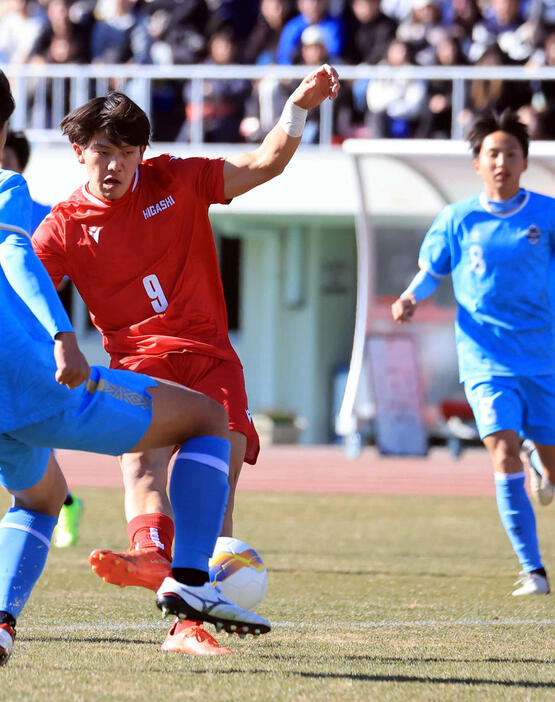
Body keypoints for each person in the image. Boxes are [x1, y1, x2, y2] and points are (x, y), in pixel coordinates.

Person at [0, 62, 271, 667]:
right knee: (205, 419)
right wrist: (63, 332)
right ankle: (190, 577)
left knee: (40, 499)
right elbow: (16, 253)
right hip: (32, 382)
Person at [32, 66, 339, 654]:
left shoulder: (177, 179)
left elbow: (264, 164)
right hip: (139, 364)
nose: (116, 165)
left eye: (127, 152)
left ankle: (187, 621)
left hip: (211, 361)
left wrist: (297, 107)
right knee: (142, 465)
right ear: (79, 153)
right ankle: (152, 556)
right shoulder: (63, 227)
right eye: (102, 152)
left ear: (143, 153)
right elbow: (25, 292)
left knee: (214, 491)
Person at [391, 109, 555, 597]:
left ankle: (539, 456)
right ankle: (534, 571)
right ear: (478, 163)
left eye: (511, 153)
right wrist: (408, 297)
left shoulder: (550, 214)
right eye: (493, 153)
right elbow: (432, 272)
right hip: (485, 359)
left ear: (524, 161)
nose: (502, 161)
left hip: (544, 359)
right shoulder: (458, 218)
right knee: (501, 450)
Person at [0, 130, 85, 549]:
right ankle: (58, 500)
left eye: (6, 161)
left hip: (36, 341)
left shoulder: (43, 216)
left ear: (20, 166)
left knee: (29, 424)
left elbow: (66, 275)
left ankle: (43, 504)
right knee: (5, 425)